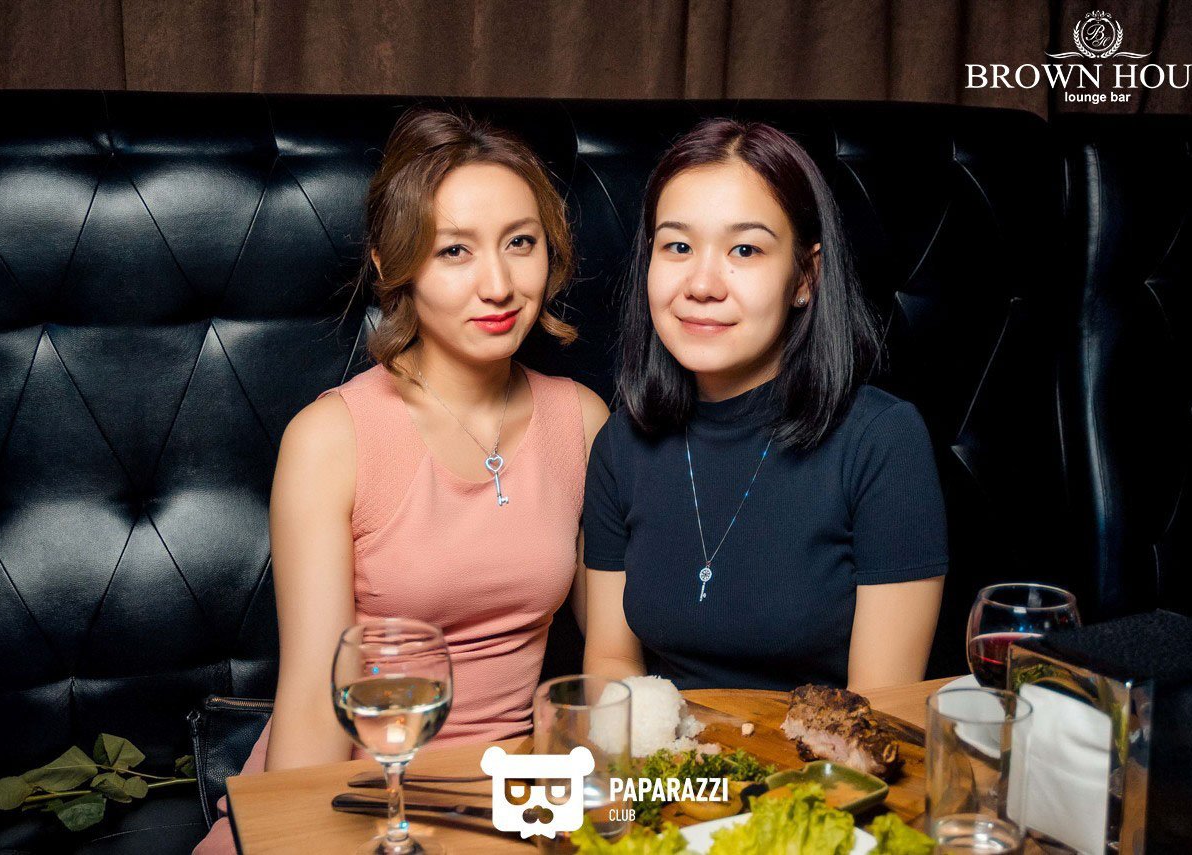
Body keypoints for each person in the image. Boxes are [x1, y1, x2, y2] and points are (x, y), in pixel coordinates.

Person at [195, 108, 608, 852]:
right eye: (454, 250)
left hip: (512, 802)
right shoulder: (331, 440)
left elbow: (616, 662)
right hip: (358, 797)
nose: (498, 284)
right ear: (392, 265)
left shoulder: (580, 420)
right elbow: (315, 706)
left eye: (521, 243)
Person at [582, 118, 947, 693]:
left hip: (825, 750)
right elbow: (608, 665)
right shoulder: (620, 444)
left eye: (745, 249)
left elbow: (881, 705)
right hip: (669, 750)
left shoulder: (882, 440)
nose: (703, 284)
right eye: (678, 246)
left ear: (805, 277)